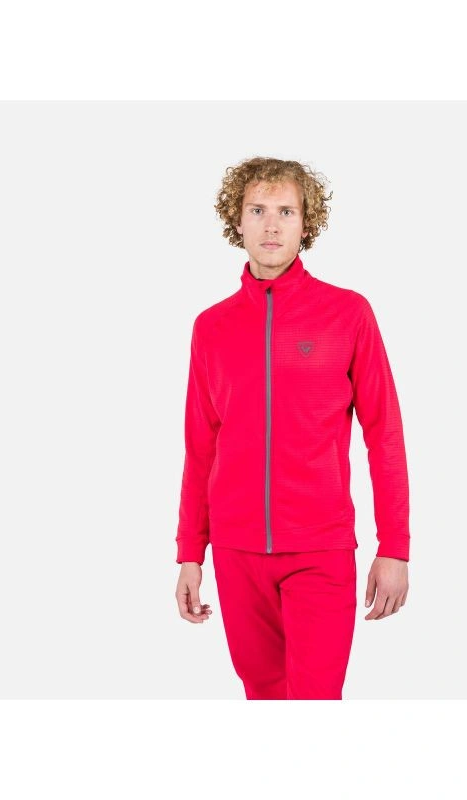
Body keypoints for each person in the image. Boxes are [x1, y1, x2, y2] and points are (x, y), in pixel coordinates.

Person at [174, 156, 411, 700]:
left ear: (307, 223)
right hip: (236, 553)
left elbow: (385, 436)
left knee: (314, 701)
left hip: (320, 550)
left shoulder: (348, 314)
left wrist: (394, 546)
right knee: (262, 696)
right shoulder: (210, 327)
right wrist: (190, 552)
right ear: (237, 220)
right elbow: (200, 448)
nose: (272, 225)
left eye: (286, 211)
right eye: (257, 210)